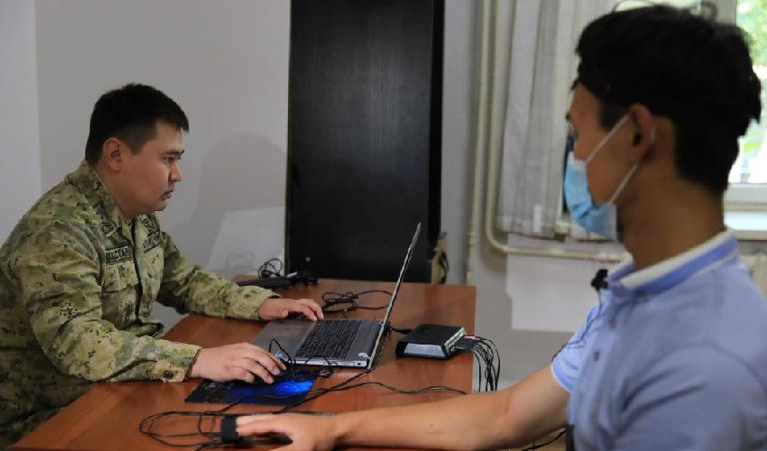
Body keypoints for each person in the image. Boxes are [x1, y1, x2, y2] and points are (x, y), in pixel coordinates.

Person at [237, 5, 767, 450]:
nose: (577, 158)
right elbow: (507, 416)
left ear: (637, 135)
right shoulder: (642, 296)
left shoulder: (705, 367)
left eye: (578, 136)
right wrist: (332, 429)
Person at [0, 83, 324, 450]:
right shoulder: (58, 230)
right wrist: (197, 360)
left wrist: (260, 304)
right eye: (168, 159)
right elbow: (78, 344)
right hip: (57, 416)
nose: (177, 174)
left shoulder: (135, 213)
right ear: (115, 154)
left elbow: (183, 281)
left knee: (259, 418)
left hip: (118, 387)